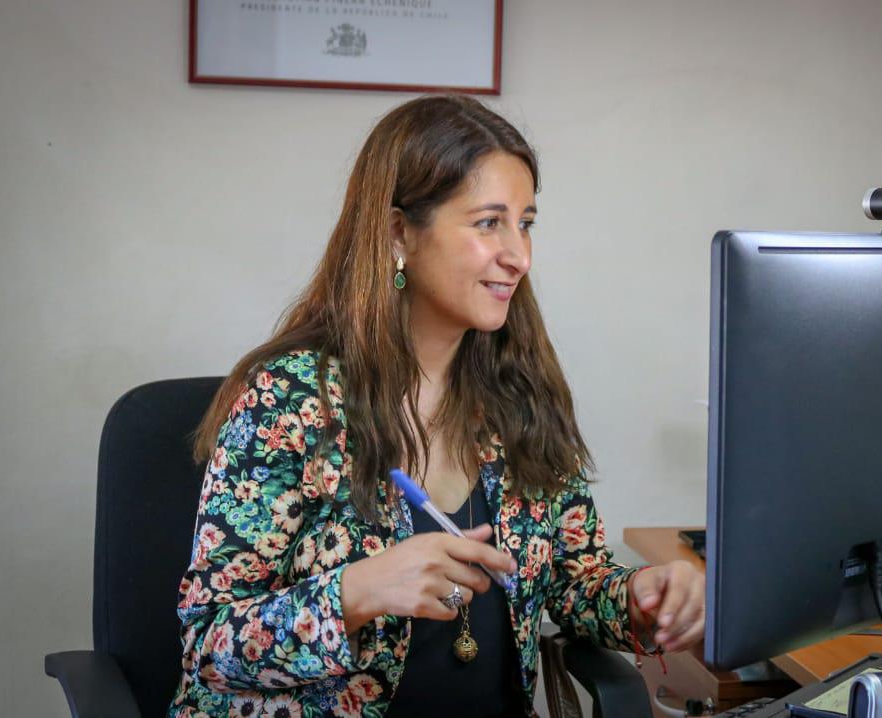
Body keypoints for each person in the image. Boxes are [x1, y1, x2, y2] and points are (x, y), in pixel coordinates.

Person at [169, 94, 704, 717]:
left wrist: (642, 595)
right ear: (399, 232)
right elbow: (209, 643)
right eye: (489, 223)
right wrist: (354, 593)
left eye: (526, 224)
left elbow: (571, 579)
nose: (520, 256)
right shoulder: (289, 398)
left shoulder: (520, 390)